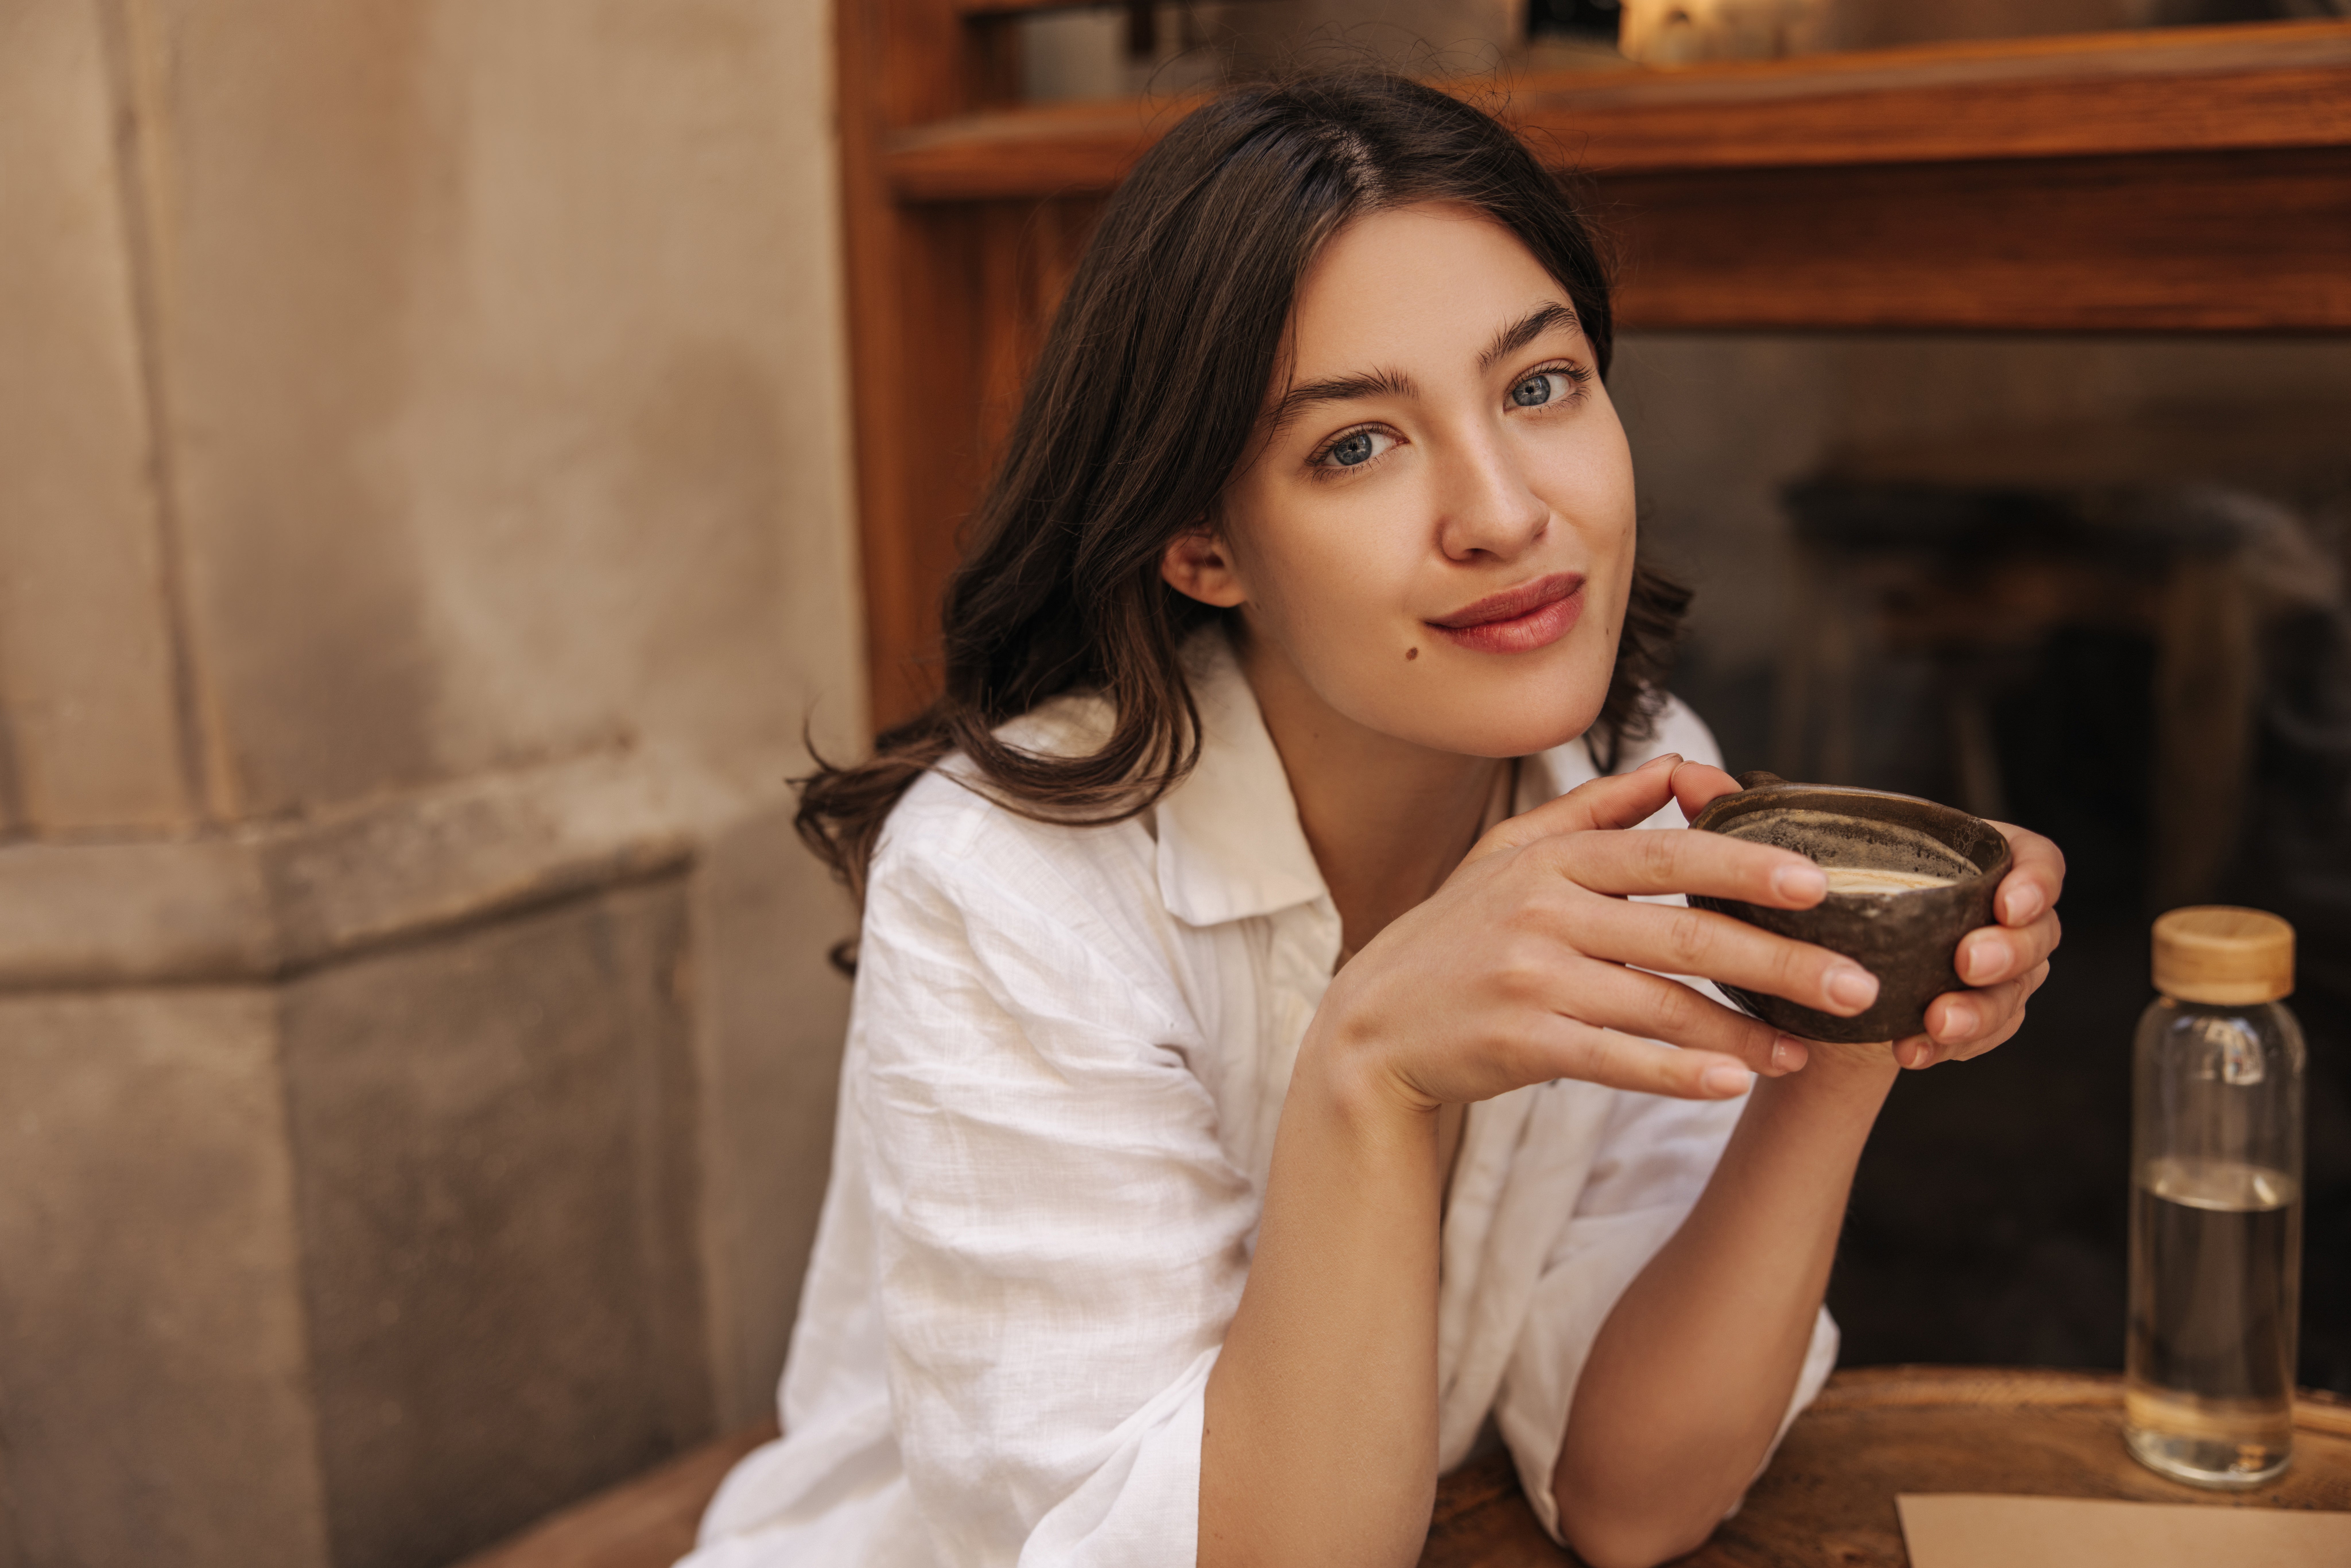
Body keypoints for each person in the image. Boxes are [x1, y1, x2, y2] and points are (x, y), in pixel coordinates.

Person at [683, 71, 2064, 1568]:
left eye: (1540, 386)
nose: (1503, 510)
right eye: (1356, 445)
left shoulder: (1637, 777)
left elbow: (1628, 1495)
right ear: (1200, 543)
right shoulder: (1007, 880)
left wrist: (1843, 1020)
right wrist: (1372, 1065)